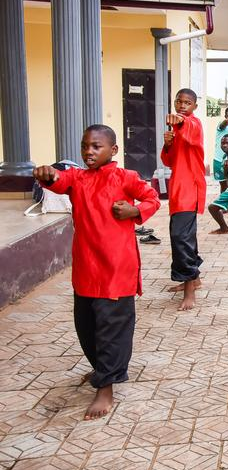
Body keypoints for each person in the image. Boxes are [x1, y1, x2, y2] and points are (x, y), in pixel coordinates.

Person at [34, 125, 160, 419]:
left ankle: (106, 388)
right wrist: (47, 174)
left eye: (96, 146)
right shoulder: (77, 178)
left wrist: (135, 211)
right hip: (86, 269)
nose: (88, 152)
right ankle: (103, 368)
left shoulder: (126, 177)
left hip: (116, 270)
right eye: (85, 146)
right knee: (87, 327)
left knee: (111, 330)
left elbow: (152, 198)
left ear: (113, 150)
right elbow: (58, 180)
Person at [161, 88, 206, 311]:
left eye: (187, 103)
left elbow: (190, 127)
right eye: (179, 102)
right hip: (178, 190)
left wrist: (180, 121)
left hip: (189, 189)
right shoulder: (177, 129)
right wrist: (168, 144)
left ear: (194, 106)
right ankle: (194, 279)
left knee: (181, 237)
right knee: (185, 237)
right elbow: (169, 161)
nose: (182, 106)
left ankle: (190, 292)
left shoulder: (194, 124)